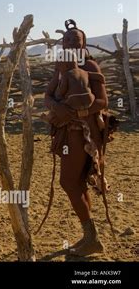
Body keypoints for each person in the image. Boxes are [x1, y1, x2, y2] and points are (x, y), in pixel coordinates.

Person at [44, 19, 110, 256]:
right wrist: (54, 105)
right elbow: (48, 95)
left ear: (84, 45)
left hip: (83, 134)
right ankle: (91, 238)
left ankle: (92, 238)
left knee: (68, 182)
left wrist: (72, 112)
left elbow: (102, 102)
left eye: (76, 40)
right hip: (66, 133)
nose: (71, 43)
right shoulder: (61, 69)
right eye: (67, 40)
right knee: (76, 183)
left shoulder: (91, 66)